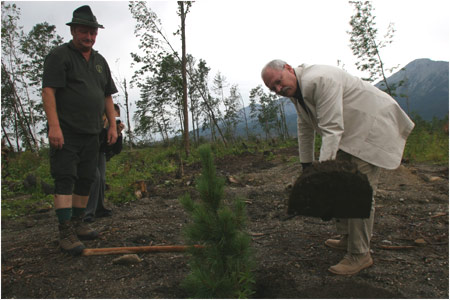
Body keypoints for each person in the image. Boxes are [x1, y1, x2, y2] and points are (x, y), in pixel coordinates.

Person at [261, 60, 415, 275]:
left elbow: (332, 128)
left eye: (278, 82)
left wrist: (322, 175)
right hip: (350, 133)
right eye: (272, 88)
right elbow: (305, 126)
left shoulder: (320, 79)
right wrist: (307, 166)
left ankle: (360, 254)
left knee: (359, 192)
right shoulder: (298, 91)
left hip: (372, 127)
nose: (278, 89)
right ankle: (348, 238)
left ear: (288, 68)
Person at [42, 5, 118, 255]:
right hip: (66, 132)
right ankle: (65, 232)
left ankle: (78, 225)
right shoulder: (59, 56)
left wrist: (113, 126)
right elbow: (49, 91)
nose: (89, 37)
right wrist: (54, 126)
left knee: (87, 178)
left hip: (92, 132)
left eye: (93, 33)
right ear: (74, 30)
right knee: (65, 178)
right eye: (84, 32)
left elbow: (107, 95)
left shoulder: (99, 61)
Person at [84, 104, 124, 222]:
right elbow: (95, 140)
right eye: (113, 117)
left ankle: (99, 208)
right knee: (95, 178)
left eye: (117, 118)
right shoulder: (95, 122)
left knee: (101, 179)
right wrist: (104, 126)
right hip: (88, 151)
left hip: (100, 153)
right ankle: (87, 213)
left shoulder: (110, 128)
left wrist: (118, 134)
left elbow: (116, 150)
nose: (114, 120)